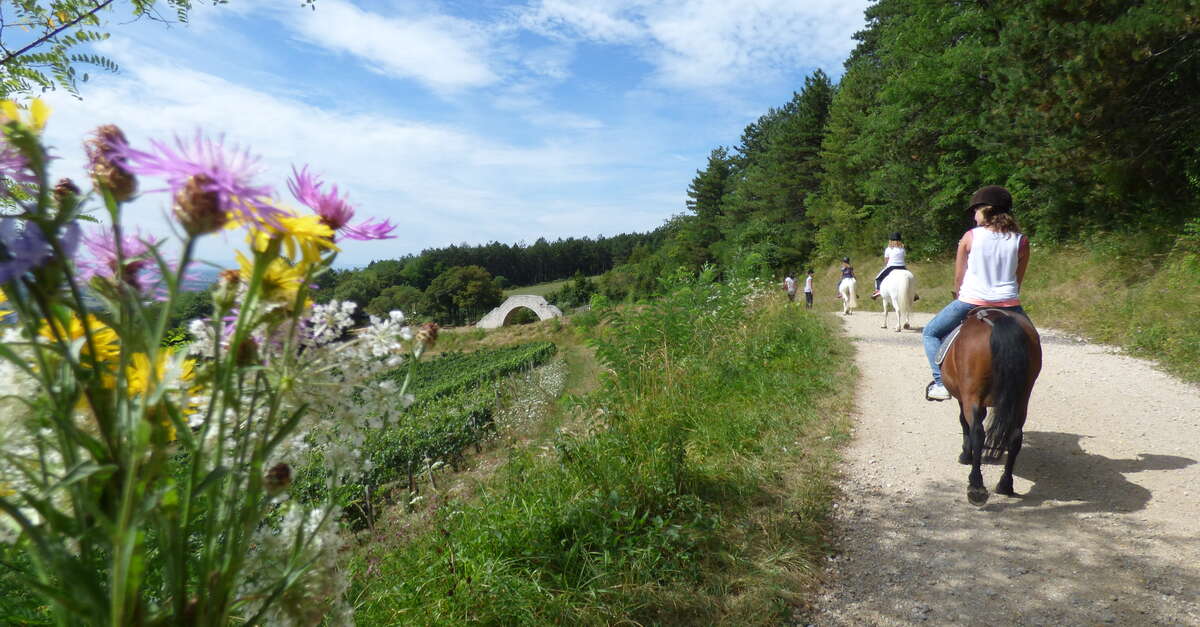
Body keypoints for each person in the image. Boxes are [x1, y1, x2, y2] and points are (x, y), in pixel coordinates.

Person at [923, 185, 1030, 401]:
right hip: (1009, 304)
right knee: (1031, 342)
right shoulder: (1021, 241)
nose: (974, 215)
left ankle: (940, 383)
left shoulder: (970, 237)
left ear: (988, 210)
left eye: (976, 210)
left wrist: (958, 294)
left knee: (931, 332)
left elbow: (959, 276)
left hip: (972, 301)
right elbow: (1018, 279)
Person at [870, 232, 918, 301]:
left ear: (891, 241)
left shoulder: (888, 249)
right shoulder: (903, 249)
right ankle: (913, 293)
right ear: (900, 240)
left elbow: (886, 261)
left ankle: (878, 291)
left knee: (878, 278)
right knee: (911, 278)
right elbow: (903, 258)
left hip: (891, 267)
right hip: (902, 267)